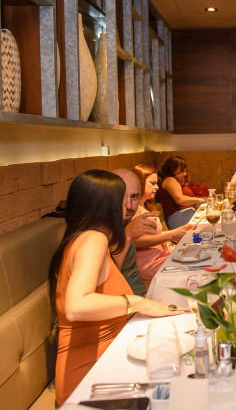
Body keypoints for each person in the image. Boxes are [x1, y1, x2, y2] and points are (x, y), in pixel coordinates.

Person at [49, 170, 188, 405]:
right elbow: (76, 306)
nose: (129, 206)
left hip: (108, 358)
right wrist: (138, 302)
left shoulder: (89, 238)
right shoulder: (93, 240)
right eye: (121, 199)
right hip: (89, 378)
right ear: (105, 204)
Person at [132, 164, 192, 284]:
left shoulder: (144, 206)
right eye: (152, 183)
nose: (157, 187)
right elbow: (134, 241)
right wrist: (171, 235)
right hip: (149, 263)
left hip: (160, 256)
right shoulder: (133, 209)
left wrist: (179, 230)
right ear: (139, 182)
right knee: (194, 269)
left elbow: (154, 235)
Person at [111, 169, 157, 297]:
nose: (129, 205)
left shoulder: (126, 220)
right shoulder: (99, 229)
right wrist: (127, 235)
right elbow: (109, 278)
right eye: (121, 196)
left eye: (134, 196)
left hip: (140, 295)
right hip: (124, 302)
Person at [157, 156, 206, 229]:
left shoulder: (176, 181)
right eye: (182, 171)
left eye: (185, 171)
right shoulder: (170, 180)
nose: (185, 174)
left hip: (186, 214)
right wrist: (198, 200)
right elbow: (180, 200)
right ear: (173, 170)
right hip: (180, 217)